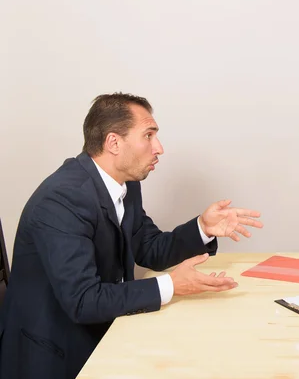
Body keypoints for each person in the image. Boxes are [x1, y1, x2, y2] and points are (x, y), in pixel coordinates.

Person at [0, 93, 263, 379]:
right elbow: (83, 301)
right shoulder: (62, 200)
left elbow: (149, 248)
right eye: (148, 135)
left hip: (105, 329)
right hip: (55, 354)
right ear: (113, 142)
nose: (159, 148)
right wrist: (172, 285)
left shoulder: (124, 184)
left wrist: (202, 227)